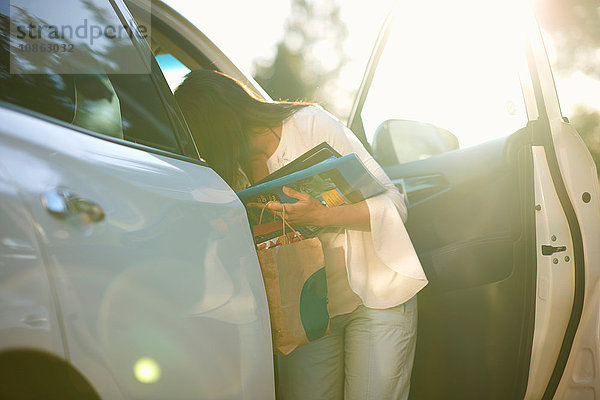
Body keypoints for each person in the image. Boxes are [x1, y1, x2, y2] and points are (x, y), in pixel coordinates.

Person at [174, 69, 428, 400]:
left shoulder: (310, 125)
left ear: (217, 126)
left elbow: (394, 204)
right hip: (309, 316)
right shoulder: (231, 173)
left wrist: (320, 215)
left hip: (376, 297)